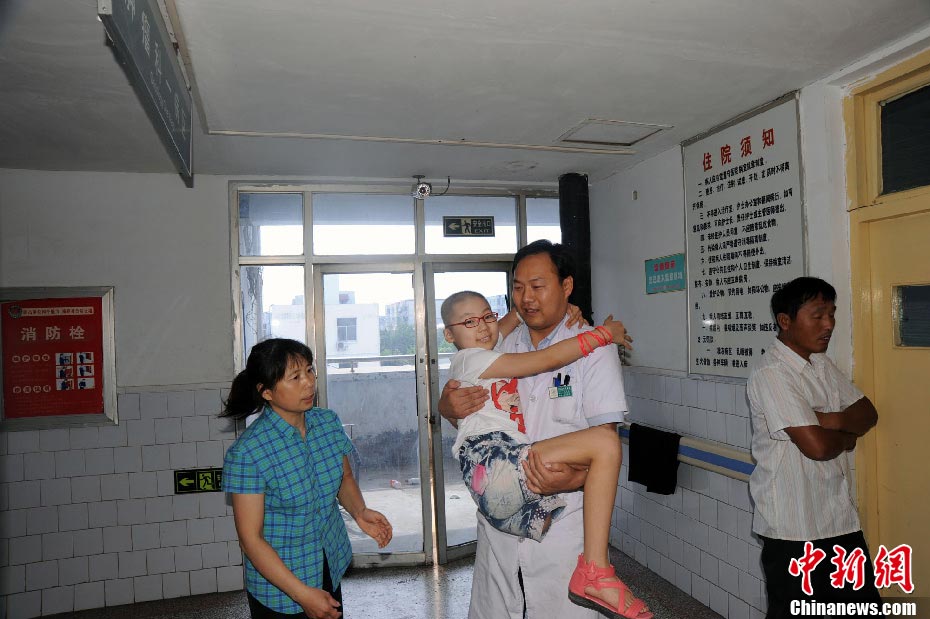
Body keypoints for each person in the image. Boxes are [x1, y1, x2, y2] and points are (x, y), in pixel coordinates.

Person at [440, 240, 645, 619]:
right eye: (518, 288)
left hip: (562, 527)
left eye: (538, 286)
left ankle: (595, 573)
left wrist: (568, 480)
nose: (526, 298)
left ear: (566, 287)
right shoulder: (499, 342)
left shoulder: (591, 349)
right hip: (501, 524)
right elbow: (470, 412)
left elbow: (606, 443)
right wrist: (445, 405)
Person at [221, 338, 392, 619]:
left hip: (328, 560)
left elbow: (344, 477)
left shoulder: (327, 423)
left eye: (310, 371)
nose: (309, 382)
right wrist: (302, 594)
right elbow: (251, 539)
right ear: (266, 392)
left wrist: (359, 511)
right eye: (295, 377)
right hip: (281, 583)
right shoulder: (248, 453)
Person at [748, 277, 882, 619]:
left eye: (832, 315)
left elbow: (867, 413)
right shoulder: (772, 373)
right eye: (818, 315)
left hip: (838, 520)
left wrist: (828, 420)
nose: (829, 325)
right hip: (794, 529)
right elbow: (817, 448)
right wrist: (845, 435)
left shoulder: (820, 364)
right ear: (785, 320)